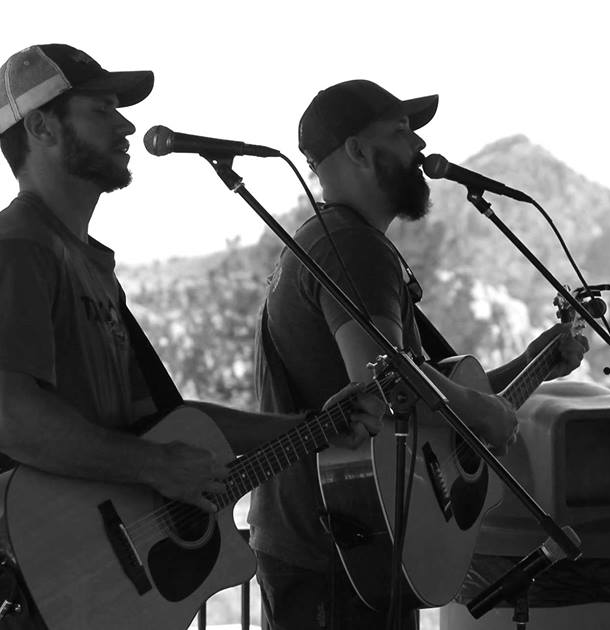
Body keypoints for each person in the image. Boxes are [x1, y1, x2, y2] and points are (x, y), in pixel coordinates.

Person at [0, 46, 383, 630]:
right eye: (101, 109)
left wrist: (312, 428)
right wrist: (154, 466)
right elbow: (4, 417)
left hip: (92, 596)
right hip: (33, 598)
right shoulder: (16, 248)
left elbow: (165, 421)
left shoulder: (86, 264)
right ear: (42, 127)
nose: (126, 125)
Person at [249, 80, 590, 630]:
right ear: (358, 151)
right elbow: (385, 383)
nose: (419, 146)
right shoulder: (352, 246)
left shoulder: (328, 239)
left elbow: (428, 396)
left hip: (343, 542)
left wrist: (535, 362)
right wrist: (484, 414)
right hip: (340, 549)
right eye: (401, 132)